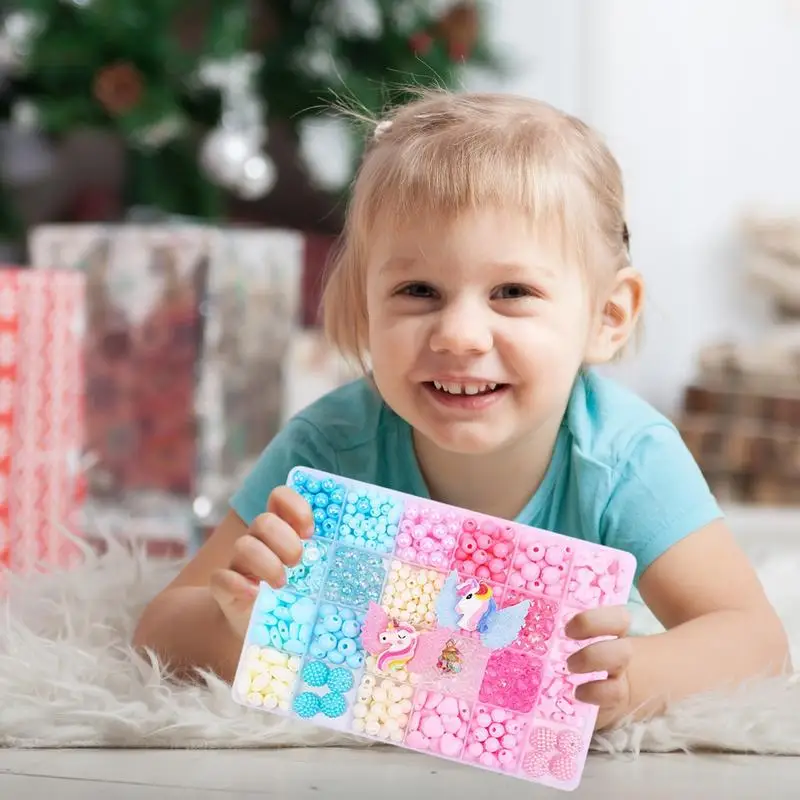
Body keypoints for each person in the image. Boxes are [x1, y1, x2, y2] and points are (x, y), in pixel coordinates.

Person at [133, 90, 789, 730]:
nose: (459, 336)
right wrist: (236, 628)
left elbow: (756, 640)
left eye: (512, 291)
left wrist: (638, 678)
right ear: (365, 309)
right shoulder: (329, 444)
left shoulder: (625, 456)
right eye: (417, 290)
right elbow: (159, 628)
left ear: (607, 316)